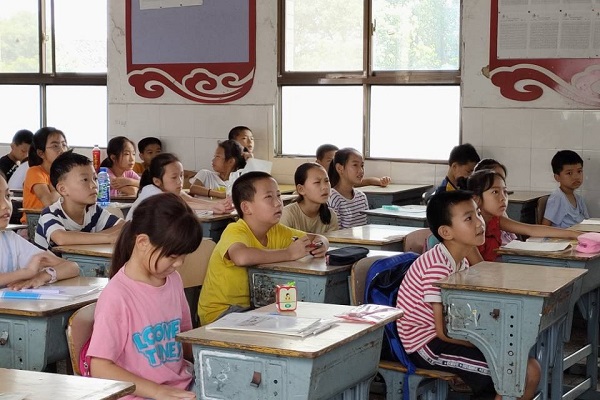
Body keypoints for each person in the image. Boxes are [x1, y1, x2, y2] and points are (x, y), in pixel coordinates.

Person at [396, 190, 541, 398]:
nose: (480, 223)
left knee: (531, 368)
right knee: (507, 373)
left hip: (451, 336)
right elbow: (442, 332)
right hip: (427, 345)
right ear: (446, 232)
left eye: (478, 214)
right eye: (469, 218)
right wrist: (486, 344)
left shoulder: (460, 260)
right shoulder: (437, 267)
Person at [87, 193, 201, 400]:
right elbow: (100, 367)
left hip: (181, 386)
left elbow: (184, 337)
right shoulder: (117, 296)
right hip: (141, 394)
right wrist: (157, 391)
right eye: (173, 256)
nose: (179, 264)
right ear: (142, 242)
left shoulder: (173, 279)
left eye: (184, 256)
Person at [198, 171, 329, 326]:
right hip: (221, 314)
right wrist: (288, 253)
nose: (278, 203)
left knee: (304, 321)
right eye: (269, 197)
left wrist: (322, 243)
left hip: (254, 310)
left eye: (278, 196)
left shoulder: (276, 230)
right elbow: (241, 257)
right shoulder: (235, 230)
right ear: (246, 207)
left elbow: (316, 238)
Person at [467, 169, 580, 262]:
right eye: (495, 192)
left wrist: (574, 234)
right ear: (476, 198)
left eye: (505, 192)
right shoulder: (469, 229)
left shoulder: (495, 220)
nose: (503, 198)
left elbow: (531, 229)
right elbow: (481, 268)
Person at [0, 172, 79, 289]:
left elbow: (72, 267)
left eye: (7, 196)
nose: (5, 205)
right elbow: (29, 271)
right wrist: (26, 273)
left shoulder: (10, 239)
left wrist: (43, 276)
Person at [34, 152, 124, 250]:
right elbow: (61, 238)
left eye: (95, 178)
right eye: (85, 180)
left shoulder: (93, 210)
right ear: (63, 189)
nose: (94, 185)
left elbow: (124, 225)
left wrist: (100, 237)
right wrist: (108, 237)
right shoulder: (50, 214)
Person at [127, 153, 234, 220]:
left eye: (181, 175)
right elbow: (181, 204)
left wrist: (218, 204)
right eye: (174, 177)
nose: (180, 181)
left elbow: (189, 199)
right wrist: (211, 207)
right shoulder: (151, 192)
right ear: (157, 181)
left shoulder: (170, 190)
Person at [21, 127, 68, 223]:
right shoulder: (34, 172)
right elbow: (49, 202)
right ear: (41, 153)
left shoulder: (65, 173)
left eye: (64, 145)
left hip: (58, 223)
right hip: (34, 226)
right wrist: (63, 186)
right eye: (55, 146)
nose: (62, 150)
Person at [280, 163, 339, 233]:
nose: (325, 187)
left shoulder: (331, 215)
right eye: (317, 182)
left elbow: (332, 240)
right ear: (301, 189)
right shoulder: (287, 215)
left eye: (326, 181)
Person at [473, 158, 516, 245]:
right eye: (495, 191)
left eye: (502, 178)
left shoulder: (499, 215)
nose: (503, 198)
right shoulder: (475, 225)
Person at [542, 150, 589, 228]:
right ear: (557, 177)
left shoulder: (579, 199)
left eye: (579, 171)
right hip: (564, 235)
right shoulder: (557, 198)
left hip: (579, 234)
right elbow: (544, 227)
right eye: (569, 173)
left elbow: (588, 223)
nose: (576, 177)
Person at [327, 148, 369, 229]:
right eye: (355, 165)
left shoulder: (362, 197)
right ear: (340, 168)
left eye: (362, 165)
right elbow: (336, 233)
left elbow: (365, 228)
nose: (361, 170)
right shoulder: (332, 198)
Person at [316, 143, 391, 187]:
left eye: (362, 165)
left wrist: (381, 181)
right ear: (318, 163)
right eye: (330, 161)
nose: (333, 164)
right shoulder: (315, 181)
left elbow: (369, 181)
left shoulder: (342, 179)